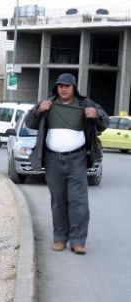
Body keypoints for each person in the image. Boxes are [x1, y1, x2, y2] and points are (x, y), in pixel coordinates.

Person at [25, 73, 109, 255]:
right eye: (60, 86)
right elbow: (29, 122)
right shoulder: (48, 103)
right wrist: (39, 109)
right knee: (58, 201)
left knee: (78, 202)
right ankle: (60, 238)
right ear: (56, 88)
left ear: (74, 87)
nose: (63, 89)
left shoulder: (85, 104)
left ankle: (78, 241)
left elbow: (105, 122)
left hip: (77, 159)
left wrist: (96, 115)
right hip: (53, 159)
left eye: (67, 86)